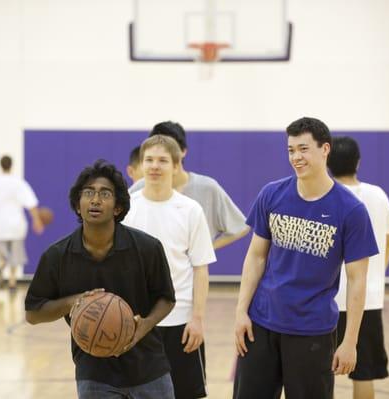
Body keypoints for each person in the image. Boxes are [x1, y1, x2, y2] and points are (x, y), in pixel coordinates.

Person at [233, 117, 379, 399]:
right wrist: (241, 312)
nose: (296, 157)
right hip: (261, 325)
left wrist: (350, 342)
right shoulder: (272, 194)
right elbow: (255, 258)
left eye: (303, 149)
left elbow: (357, 280)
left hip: (312, 331)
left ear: (325, 149)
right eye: (290, 150)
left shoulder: (351, 210)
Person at [25, 160, 176, 399]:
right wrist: (74, 302)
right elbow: (33, 313)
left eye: (105, 194)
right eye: (88, 193)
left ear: (117, 207)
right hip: (94, 374)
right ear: (78, 205)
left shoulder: (147, 248)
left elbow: (166, 298)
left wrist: (146, 324)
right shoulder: (57, 256)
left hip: (149, 368)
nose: (95, 200)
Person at [122, 135, 216, 399]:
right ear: (140, 165)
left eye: (163, 160)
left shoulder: (190, 210)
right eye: (149, 160)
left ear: (176, 165)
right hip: (137, 321)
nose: (154, 166)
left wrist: (197, 319)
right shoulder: (127, 209)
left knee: (187, 394)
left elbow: (200, 269)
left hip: (181, 322)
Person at [328, 136, 389, 399]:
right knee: (364, 372)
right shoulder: (378, 195)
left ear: (327, 160)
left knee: (321, 374)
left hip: (327, 301)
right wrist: (376, 276)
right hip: (368, 299)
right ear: (358, 162)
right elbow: (388, 242)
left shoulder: (325, 196)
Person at [129, 121, 249, 249]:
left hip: (190, 268)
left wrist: (204, 250)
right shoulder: (138, 191)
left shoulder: (206, 188)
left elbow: (241, 227)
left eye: (168, 150)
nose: (156, 163)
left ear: (182, 152)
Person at [0, 155, 44, 291]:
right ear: (11, 166)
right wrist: (37, 220)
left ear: (0, 166)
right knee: (15, 256)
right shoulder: (18, 183)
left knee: (2, 257)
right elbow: (31, 203)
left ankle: (0, 268)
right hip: (16, 225)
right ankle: (12, 283)